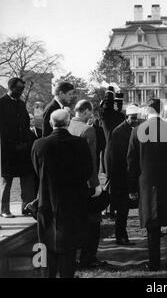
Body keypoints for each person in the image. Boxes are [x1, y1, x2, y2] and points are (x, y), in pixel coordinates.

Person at [127, 98, 167, 271]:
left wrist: (132, 188)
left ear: (147, 110)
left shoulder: (137, 131)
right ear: (162, 111)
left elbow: (131, 163)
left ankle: (154, 262)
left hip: (148, 185)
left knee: (152, 226)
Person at [32, 109, 92, 278]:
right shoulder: (79, 144)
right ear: (68, 123)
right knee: (69, 249)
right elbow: (87, 171)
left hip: (47, 201)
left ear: (51, 123)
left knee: (46, 246)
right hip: (72, 202)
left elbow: (38, 170)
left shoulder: (39, 144)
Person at [67, 100, 106, 268]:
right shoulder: (88, 130)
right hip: (86, 183)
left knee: (74, 221)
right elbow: (91, 160)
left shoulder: (65, 126)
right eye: (90, 113)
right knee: (93, 221)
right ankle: (88, 257)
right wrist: (95, 183)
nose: (91, 116)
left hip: (68, 183)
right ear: (85, 112)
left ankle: (74, 256)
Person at [0, 77, 36, 218]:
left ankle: (27, 207)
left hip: (23, 148)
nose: (20, 91)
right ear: (11, 87)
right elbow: (2, 128)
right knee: (6, 180)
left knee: (27, 177)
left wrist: (26, 142)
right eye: (18, 88)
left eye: (22, 89)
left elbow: (26, 124)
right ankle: (4, 210)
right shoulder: (1, 103)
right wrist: (12, 144)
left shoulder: (21, 104)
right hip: (8, 149)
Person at [110, 104, 140, 246]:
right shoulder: (119, 132)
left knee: (127, 208)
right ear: (127, 117)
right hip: (122, 176)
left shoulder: (133, 129)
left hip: (132, 173)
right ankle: (120, 236)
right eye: (133, 118)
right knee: (122, 210)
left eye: (136, 118)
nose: (135, 120)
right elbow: (118, 157)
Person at [99, 88, 125, 217]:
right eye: (115, 103)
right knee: (110, 180)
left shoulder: (119, 116)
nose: (118, 105)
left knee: (116, 181)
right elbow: (106, 107)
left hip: (119, 152)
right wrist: (109, 93)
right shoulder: (107, 116)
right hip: (111, 152)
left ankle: (112, 206)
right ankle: (107, 207)